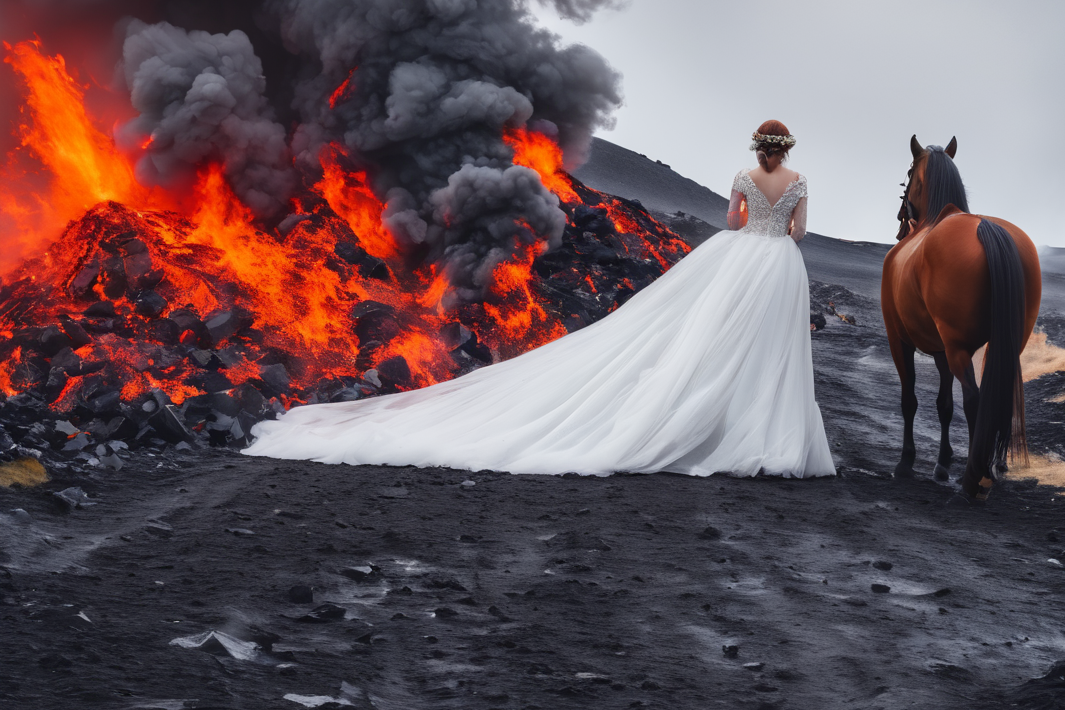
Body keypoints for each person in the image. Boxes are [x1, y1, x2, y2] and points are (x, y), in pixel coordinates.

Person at [244, 119, 835, 478]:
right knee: (768, 349)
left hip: (738, 258)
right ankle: (759, 431)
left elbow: (732, 222)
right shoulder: (800, 181)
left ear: (759, 148)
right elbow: (800, 234)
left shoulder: (742, 176)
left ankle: (716, 423)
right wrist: (777, 230)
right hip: (778, 264)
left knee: (709, 338)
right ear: (786, 150)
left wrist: (751, 220)